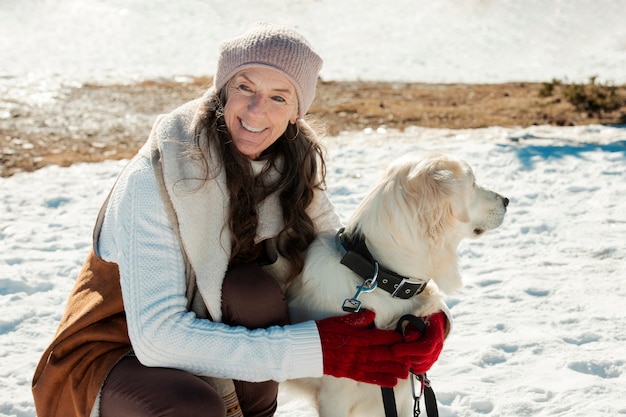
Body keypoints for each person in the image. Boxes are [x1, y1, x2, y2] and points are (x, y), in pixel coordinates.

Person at [32, 22, 449, 417]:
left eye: (278, 96)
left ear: (295, 113)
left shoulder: (291, 170)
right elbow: (157, 338)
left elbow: (345, 265)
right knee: (190, 407)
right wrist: (317, 349)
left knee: (253, 292)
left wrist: (430, 314)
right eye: (244, 87)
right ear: (222, 92)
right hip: (113, 353)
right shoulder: (158, 176)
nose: (255, 109)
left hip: (209, 341)